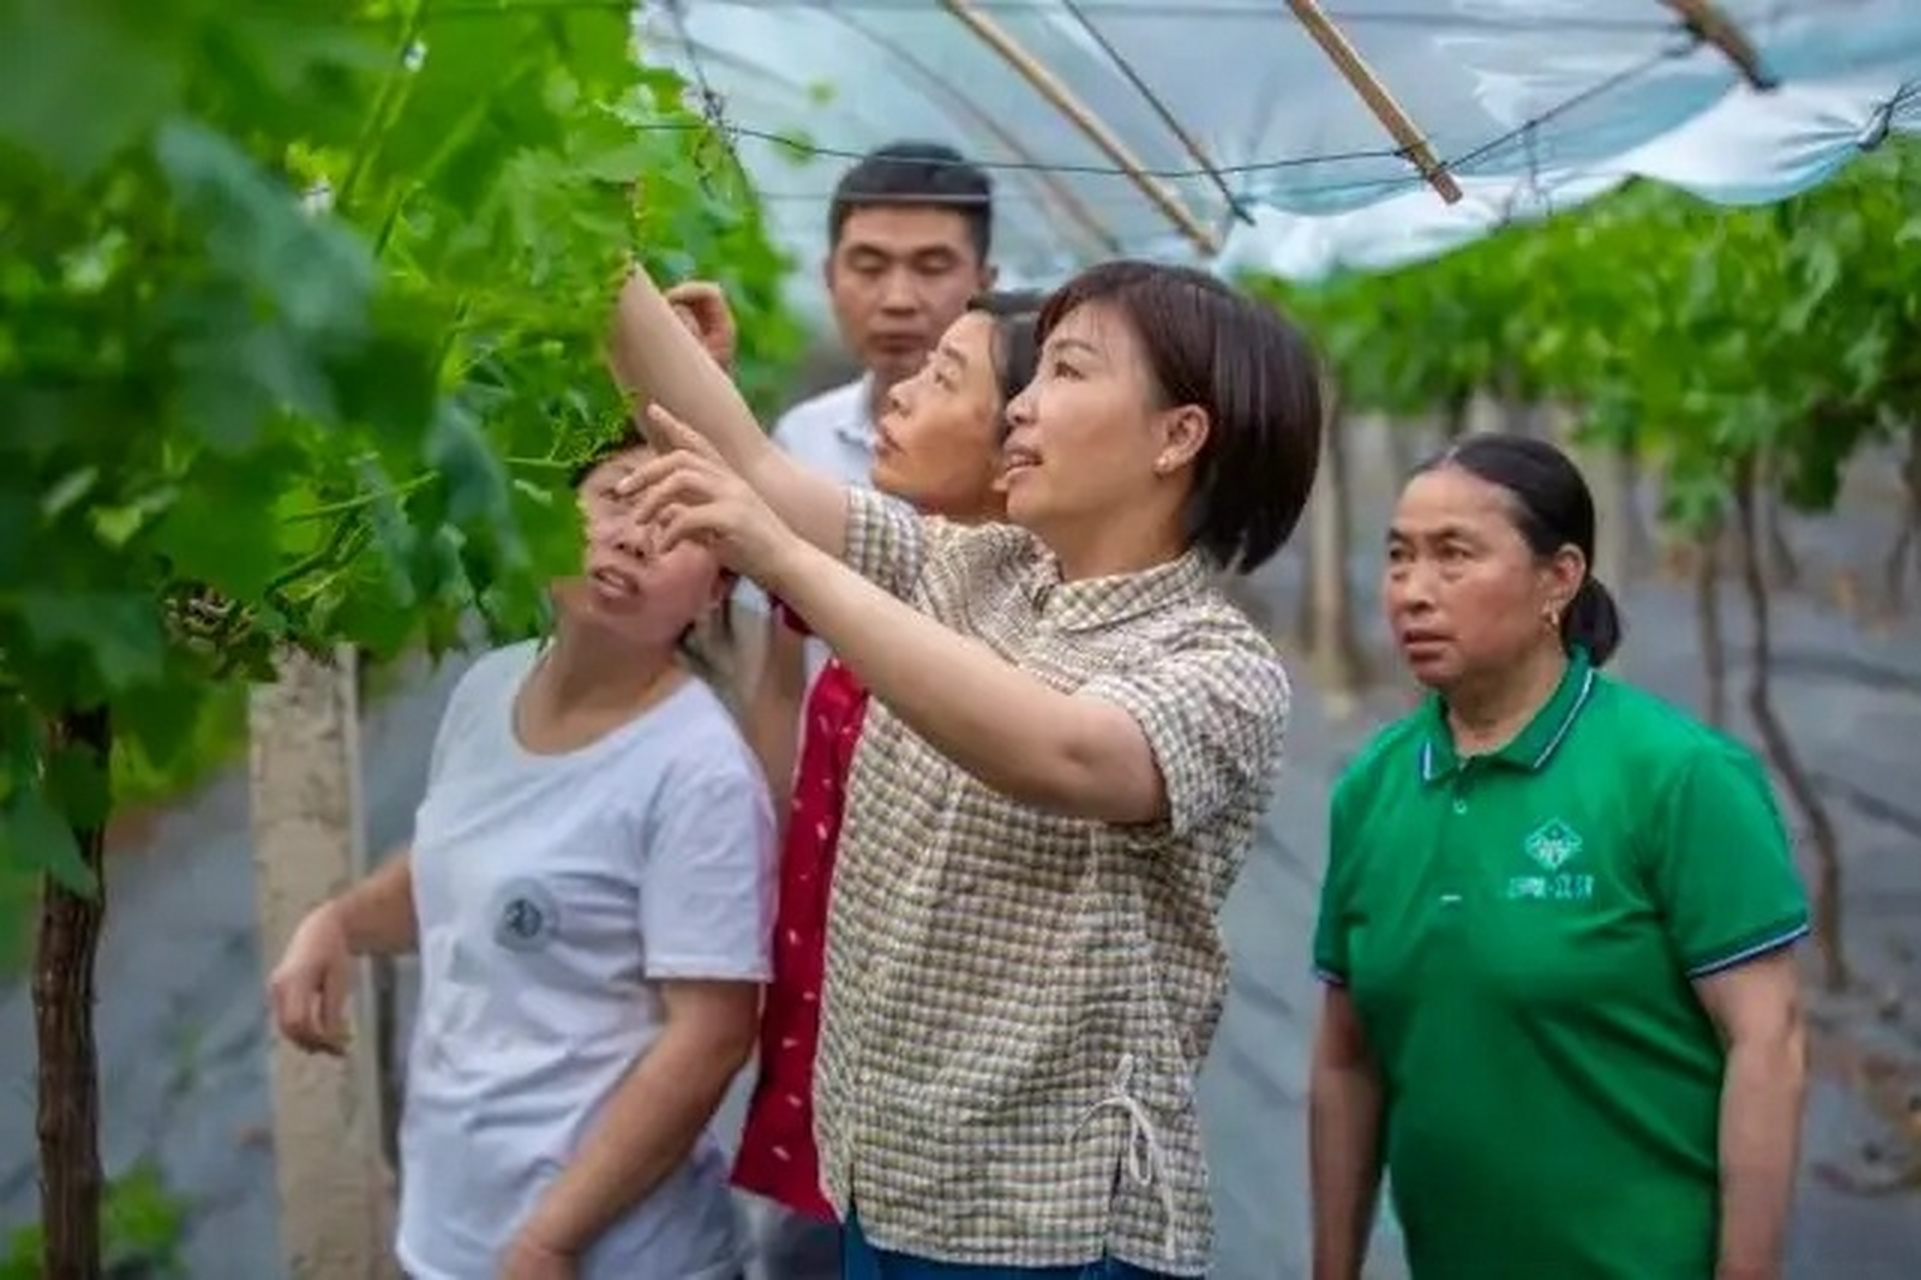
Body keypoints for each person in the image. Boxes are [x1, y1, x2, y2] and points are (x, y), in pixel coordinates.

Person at [606, 256, 1322, 1278]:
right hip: (891, 1185)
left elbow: (1062, 749)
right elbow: (751, 468)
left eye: (1067, 372)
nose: (1021, 408)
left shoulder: (1219, 668)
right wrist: (599, 256)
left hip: (1044, 1227)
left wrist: (787, 560)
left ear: (1178, 435)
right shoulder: (977, 568)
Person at [267, 429, 778, 1280]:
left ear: (716, 587)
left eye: (678, 524)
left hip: (608, 1251)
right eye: (615, 498)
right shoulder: (490, 685)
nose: (632, 535)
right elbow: (451, 867)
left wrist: (553, 1238)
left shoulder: (699, 772)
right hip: (454, 1226)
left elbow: (712, 1036)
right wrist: (338, 922)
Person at [1308, 433, 1809, 1280]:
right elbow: (1345, 1059)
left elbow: (1769, 1042)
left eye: (1453, 556)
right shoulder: (1374, 789)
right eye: (1398, 559)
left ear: (1558, 578)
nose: (1411, 593)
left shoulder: (1676, 778)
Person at [727, 289, 1044, 1280]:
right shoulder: (917, 559)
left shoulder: (1032, 626)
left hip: (945, 1111)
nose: (898, 394)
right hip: (845, 1035)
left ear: (1021, 442)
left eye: (944, 377)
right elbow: (757, 470)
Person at [731, 139, 998, 714]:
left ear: (985, 282)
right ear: (830, 277)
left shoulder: (1023, 457)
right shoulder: (800, 440)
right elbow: (776, 666)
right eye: (869, 266)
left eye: (932, 267)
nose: (897, 300)